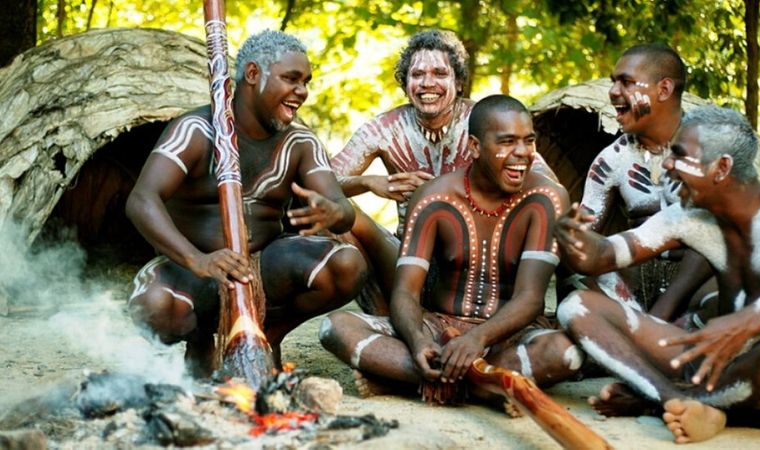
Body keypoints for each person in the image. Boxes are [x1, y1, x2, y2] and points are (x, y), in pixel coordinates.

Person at [126, 29, 367, 377]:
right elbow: (141, 200)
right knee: (155, 308)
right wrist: (198, 260)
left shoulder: (301, 142)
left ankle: (265, 335)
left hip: (266, 269)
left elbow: (341, 209)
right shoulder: (197, 130)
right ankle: (200, 341)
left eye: (306, 82)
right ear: (253, 75)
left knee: (346, 265)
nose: (302, 91)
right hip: (196, 269)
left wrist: (335, 211)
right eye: (291, 79)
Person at [556, 105, 760, 443]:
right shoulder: (689, 216)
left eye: (680, 154)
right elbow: (604, 256)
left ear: (722, 167)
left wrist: (743, 324)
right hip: (711, 364)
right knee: (576, 307)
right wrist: (574, 240)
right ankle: (671, 399)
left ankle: (671, 402)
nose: (667, 164)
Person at [320, 95, 582, 408]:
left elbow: (530, 298)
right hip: (440, 328)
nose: (522, 154)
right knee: (335, 327)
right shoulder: (434, 197)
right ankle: (487, 385)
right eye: (508, 142)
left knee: (565, 352)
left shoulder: (546, 198)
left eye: (528, 141)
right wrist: (419, 341)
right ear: (474, 147)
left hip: (509, 338)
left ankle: (422, 380)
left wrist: (477, 339)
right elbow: (406, 293)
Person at [331, 30, 553, 314]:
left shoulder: (486, 122)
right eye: (417, 74)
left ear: (458, 81)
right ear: (405, 82)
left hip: (478, 260)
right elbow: (321, 182)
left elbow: (548, 187)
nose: (427, 83)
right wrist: (371, 182)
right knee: (334, 211)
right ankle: (388, 316)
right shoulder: (383, 129)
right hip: (408, 258)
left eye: (439, 73)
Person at [567, 42, 713, 322]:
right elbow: (585, 239)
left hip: (699, 285)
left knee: (721, 287)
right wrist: (565, 235)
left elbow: (720, 238)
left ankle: (652, 332)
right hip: (636, 288)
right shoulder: (611, 160)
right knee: (576, 293)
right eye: (613, 82)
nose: (613, 92)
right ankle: (640, 332)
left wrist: (659, 314)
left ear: (664, 89)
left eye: (626, 82)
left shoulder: (711, 149)